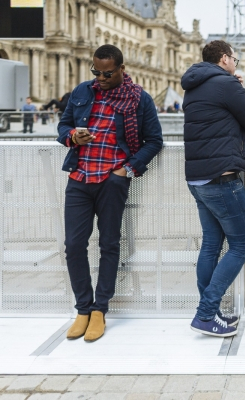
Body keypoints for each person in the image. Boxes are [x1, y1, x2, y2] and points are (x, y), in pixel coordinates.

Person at [57, 44, 163, 342]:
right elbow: (63, 126)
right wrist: (73, 136)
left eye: (107, 73)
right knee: (74, 245)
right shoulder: (82, 92)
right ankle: (82, 309)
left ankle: (100, 309)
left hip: (111, 180)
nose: (100, 78)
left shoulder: (139, 99)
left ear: (121, 68)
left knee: (108, 244)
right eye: (96, 72)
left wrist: (127, 170)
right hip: (80, 177)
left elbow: (154, 140)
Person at [181, 40, 245, 337]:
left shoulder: (193, 85)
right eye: (235, 58)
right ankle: (206, 314)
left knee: (211, 246)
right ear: (224, 59)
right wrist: (238, 88)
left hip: (197, 178)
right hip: (222, 179)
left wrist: (232, 85)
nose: (236, 63)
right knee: (242, 245)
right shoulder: (226, 84)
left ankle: (212, 312)